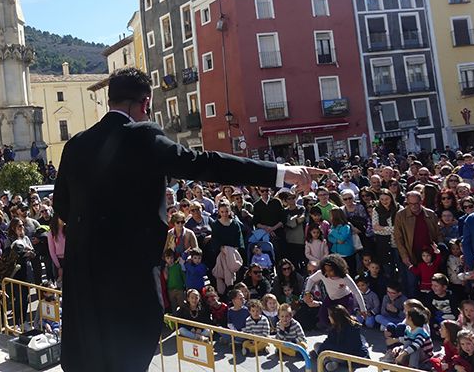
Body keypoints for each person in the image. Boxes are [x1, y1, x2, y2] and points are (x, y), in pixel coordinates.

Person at [52, 67, 324, 371]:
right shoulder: (143, 136)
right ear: (146, 103)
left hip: (83, 286)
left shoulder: (75, 144)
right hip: (128, 284)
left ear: (110, 98)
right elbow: (205, 165)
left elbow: (62, 206)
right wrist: (280, 173)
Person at [393, 191, 441, 297]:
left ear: (421, 202)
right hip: (411, 255)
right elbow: (398, 237)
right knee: (411, 283)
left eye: (416, 203)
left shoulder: (430, 214)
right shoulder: (401, 215)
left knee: (431, 284)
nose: (414, 206)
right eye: (411, 204)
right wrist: (404, 256)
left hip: (428, 257)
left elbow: (437, 234)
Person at [313, 305, 369, 372]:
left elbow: (349, 349)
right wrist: (323, 348)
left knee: (329, 354)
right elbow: (328, 341)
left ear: (336, 317)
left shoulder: (352, 328)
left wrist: (327, 349)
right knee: (317, 345)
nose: (328, 317)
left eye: (330, 316)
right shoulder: (335, 326)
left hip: (352, 355)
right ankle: (328, 362)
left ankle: (327, 361)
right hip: (337, 349)